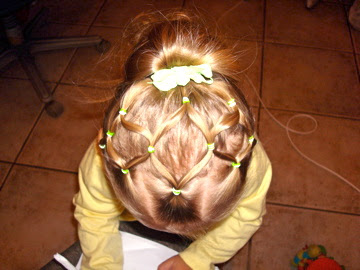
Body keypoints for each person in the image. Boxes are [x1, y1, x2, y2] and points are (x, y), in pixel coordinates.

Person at [73, 11, 272, 270]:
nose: (170, 232)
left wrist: (199, 257)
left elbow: (245, 218)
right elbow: (93, 213)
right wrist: (102, 264)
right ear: (104, 148)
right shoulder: (105, 159)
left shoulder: (249, 163)